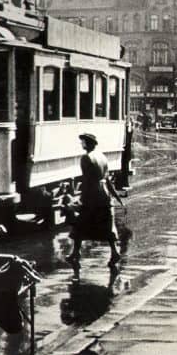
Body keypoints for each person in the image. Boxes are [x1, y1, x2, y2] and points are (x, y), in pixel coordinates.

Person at [67, 133, 121, 273]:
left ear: (87, 143)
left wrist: (81, 199)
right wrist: (116, 197)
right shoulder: (102, 157)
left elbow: (87, 180)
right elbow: (107, 179)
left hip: (93, 196)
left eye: (83, 142)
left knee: (80, 223)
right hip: (104, 196)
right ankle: (114, 252)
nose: (81, 144)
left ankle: (75, 253)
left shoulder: (86, 158)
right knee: (107, 225)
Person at [117, 116, 134, 189]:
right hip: (125, 150)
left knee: (125, 168)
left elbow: (129, 134)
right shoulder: (127, 128)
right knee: (124, 168)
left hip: (126, 151)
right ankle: (124, 183)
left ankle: (125, 183)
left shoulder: (129, 129)